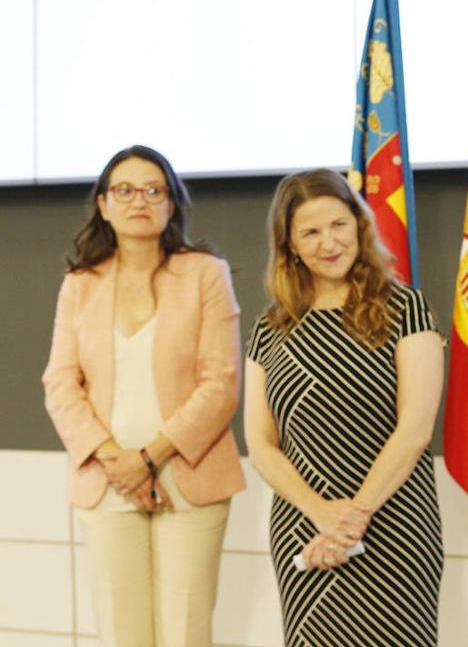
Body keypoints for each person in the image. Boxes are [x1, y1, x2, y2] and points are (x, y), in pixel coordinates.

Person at [42, 145, 245, 647]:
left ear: (171, 204)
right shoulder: (79, 283)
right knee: (121, 633)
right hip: (106, 480)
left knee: (185, 633)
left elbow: (220, 382)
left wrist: (149, 459)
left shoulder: (205, 273)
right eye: (124, 190)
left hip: (189, 477)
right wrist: (119, 462)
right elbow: (60, 383)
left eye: (154, 190)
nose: (140, 200)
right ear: (104, 205)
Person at [244, 169, 444, 646]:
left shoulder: (407, 308)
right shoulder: (268, 328)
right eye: (310, 232)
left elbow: (415, 428)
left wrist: (351, 519)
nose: (328, 242)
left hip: (395, 525)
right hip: (304, 529)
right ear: (289, 243)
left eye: (338, 225)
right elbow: (261, 443)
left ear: (359, 225)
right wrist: (322, 515)